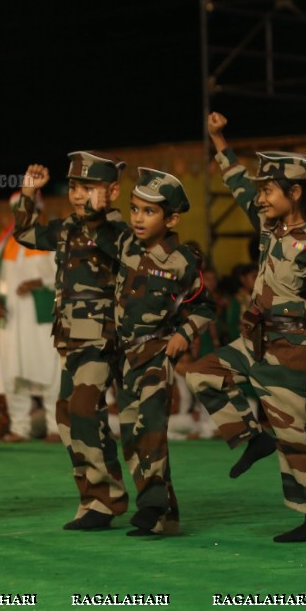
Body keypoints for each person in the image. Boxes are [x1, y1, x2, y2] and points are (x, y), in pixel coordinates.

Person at [185, 113, 306, 543]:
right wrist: (219, 140)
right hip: (255, 337)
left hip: (293, 344)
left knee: (292, 434)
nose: (260, 197)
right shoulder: (269, 225)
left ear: (294, 192)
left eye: (268, 189)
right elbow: (235, 182)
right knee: (202, 373)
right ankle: (251, 438)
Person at [89, 169, 214, 536]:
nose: (138, 218)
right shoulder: (127, 244)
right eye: (135, 209)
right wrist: (98, 205)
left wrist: (184, 334)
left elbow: (204, 307)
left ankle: (150, 504)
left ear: (171, 218)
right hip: (123, 358)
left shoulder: (181, 261)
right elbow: (100, 227)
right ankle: (165, 518)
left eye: (149, 212)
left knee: (152, 431)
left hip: (156, 355)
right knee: (130, 437)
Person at [14, 153, 129, 530]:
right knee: (69, 416)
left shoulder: (118, 232)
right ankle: (95, 498)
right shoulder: (66, 228)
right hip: (69, 341)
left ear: (112, 191)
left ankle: (104, 497)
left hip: (101, 339)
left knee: (82, 410)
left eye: (90, 188)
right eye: (76, 188)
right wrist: (29, 193)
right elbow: (25, 233)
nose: (80, 196)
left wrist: (97, 216)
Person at [0, 193, 61, 442]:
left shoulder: (50, 237)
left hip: (41, 315)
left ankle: (54, 427)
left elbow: (64, 273)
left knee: (49, 369)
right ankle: (20, 428)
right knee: (13, 372)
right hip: (11, 318)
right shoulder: (3, 243)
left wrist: (39, 282)